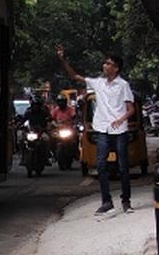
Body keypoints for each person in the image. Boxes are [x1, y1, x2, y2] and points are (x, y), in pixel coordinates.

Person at [55, 45, 136, 214]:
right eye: (105, 63)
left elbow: (131, 109)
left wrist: (120, 120)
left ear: (116, 68)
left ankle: (126, 201)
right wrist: (63, 59)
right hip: (102, 128)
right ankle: (106, 201)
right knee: (100, 165)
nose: (104, 66)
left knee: (123, 167)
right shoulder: (98, 83)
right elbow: (74, 76)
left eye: (108, 63)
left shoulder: (123, 85)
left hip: (119, 129)